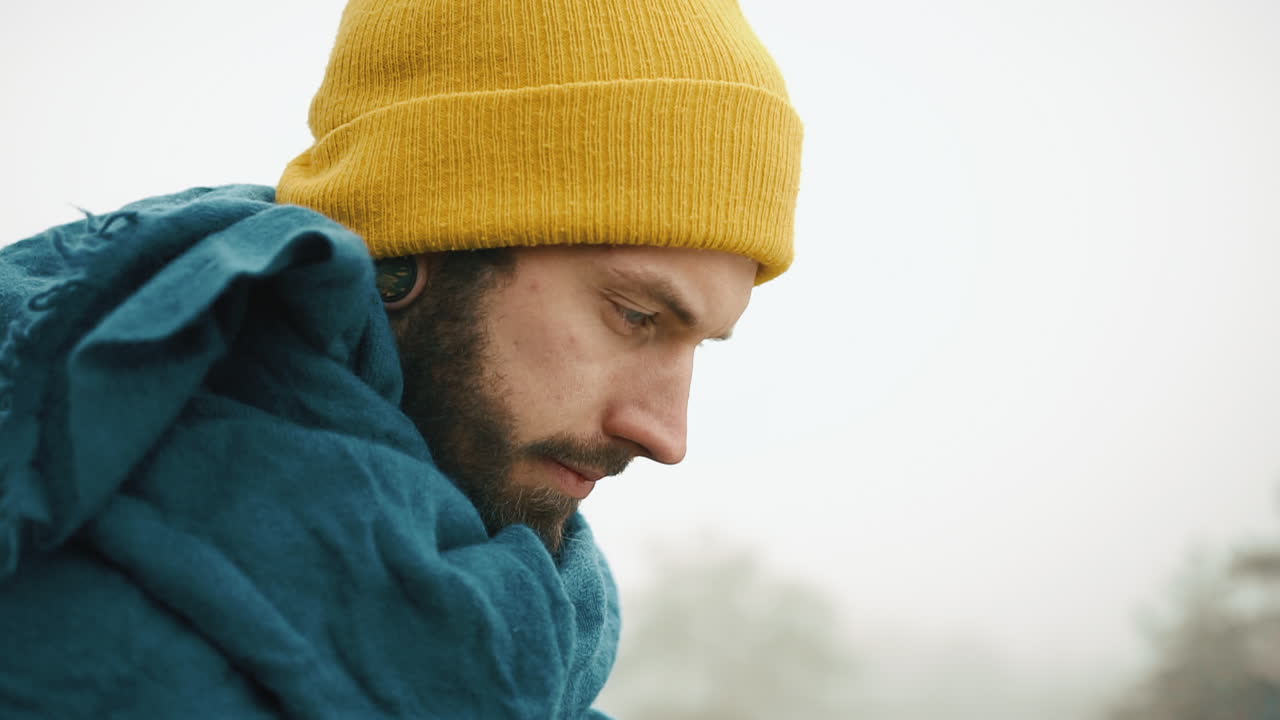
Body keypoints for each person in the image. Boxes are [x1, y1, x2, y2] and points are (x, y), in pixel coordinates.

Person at [0, 0, 801, 717]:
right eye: (635, 315)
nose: (667, 434)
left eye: (700, 345)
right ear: (410, 261)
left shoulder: (533, 644)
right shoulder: (64, 634)